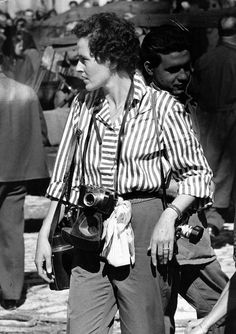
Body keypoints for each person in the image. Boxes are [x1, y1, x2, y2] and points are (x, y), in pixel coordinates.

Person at [35, 12, 213, 334]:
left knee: (145, 326)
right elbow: (63, 175)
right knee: (82, 328)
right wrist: (45, 235)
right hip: (88, 226)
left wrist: (170, 216)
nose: (77, 67)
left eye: (85, 59)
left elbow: (198, 175)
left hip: (144, 226)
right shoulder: (82, 105)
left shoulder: (162, 108)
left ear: (112, 58)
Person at [140, 24, 228, 333]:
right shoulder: (141, 109)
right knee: (158, 314)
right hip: (157, 228)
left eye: (186, 67)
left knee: (219, 304)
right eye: (173, 69)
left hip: (189, 231)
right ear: (149, 67)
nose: (183, 75)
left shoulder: (185, 103)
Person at [0, 47, 49, 310]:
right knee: (11, 230)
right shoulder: (26, 92)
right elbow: (41, 133)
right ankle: (11, 293)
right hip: (16, 173)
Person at [190, 13, 236, 237]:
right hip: (230, 122)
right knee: (226, 172)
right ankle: (217, 219)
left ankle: (212, 217)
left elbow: (194, 89)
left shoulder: (205, 59)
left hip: (206, 120)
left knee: (212, 170)